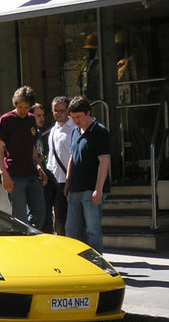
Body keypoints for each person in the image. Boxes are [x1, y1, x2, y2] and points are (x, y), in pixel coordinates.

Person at [0, 86, 47, 228]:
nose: (22, 110)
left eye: (26, 107)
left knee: (40, 214)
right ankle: (23, 237)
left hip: (32, 174)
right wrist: (3, 173)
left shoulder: (31, 119)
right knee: (20, 218)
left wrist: (38, 166)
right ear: (15, 104)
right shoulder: (6, 120)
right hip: (15, 176)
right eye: (20, 106)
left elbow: (32, 146)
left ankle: (27, 234)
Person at [65, 96, 111, 254]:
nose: (76, 120)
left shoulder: (100, 131)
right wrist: (68, 181)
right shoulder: (75, 132)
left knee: (92, 230)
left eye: (78, 117)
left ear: (88, 113)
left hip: (91, 190)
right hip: (75, 189)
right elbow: (72, 157)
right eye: (73, 117)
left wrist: (98, 189)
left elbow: (104, 161)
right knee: (71, 230)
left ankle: (97, 263)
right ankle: (74, 263)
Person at [47, 96, 74, 235]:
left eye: (61, 110)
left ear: (68, 111)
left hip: (70, 180)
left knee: (73, 220)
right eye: (55, 111)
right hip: (55, 181)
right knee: (59, 219)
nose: (58, 113)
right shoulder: (53, 130)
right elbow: (51, 157)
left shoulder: (74, 129)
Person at [31, 102, 56, 234]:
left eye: (42, 115)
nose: (42, 118)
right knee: (38, 213)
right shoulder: (30, 133)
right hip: (35, 177)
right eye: (38, 115)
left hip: (43, 175)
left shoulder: (38, 132)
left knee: (47, 212)